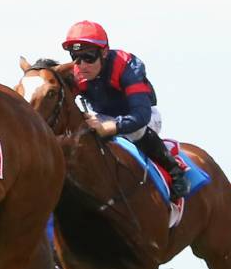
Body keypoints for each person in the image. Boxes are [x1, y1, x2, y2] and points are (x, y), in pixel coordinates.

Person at [61, 20, 188, 199]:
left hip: (143, 117)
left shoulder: (127, 66)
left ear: (104, 52)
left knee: (135, 131)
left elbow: (141, 116)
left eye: (89, 57)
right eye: (75, 57)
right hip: (103, 116)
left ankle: (175, 170)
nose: (82, 65)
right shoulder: (76, 73)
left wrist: (110, 127)